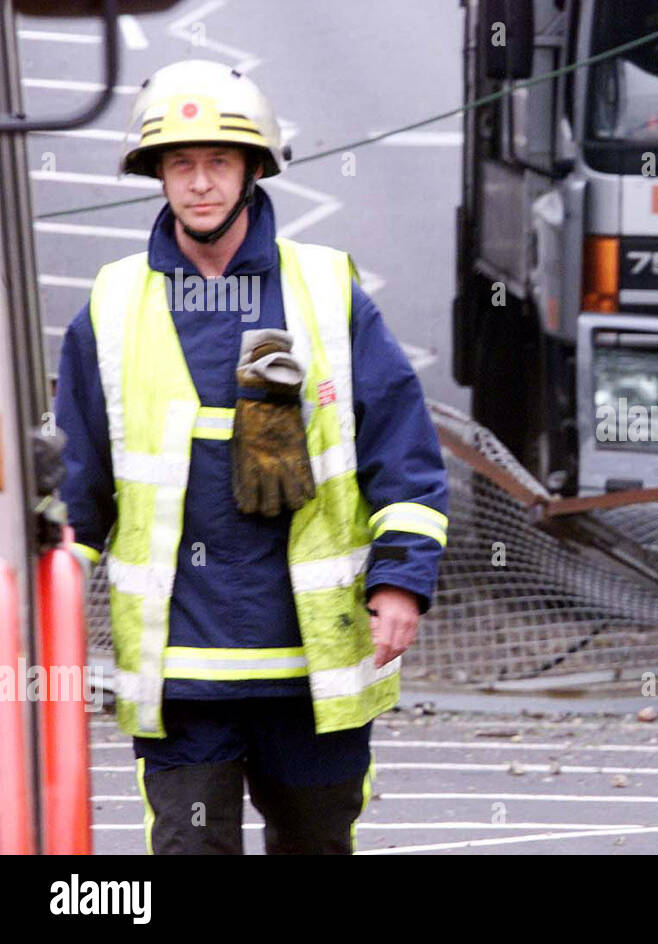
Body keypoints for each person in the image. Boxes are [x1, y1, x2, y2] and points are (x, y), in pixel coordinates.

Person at [54, 60, 449, 854]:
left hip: (313, 664)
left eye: (219, 161)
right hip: (183, 669)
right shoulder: (112, 305)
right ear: (157, 174)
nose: (199, 183)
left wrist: (403, 581)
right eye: (179, 163)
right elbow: (76, 484)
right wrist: (38, 599)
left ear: (255, 169)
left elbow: (402, 450)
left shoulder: (325, 291)